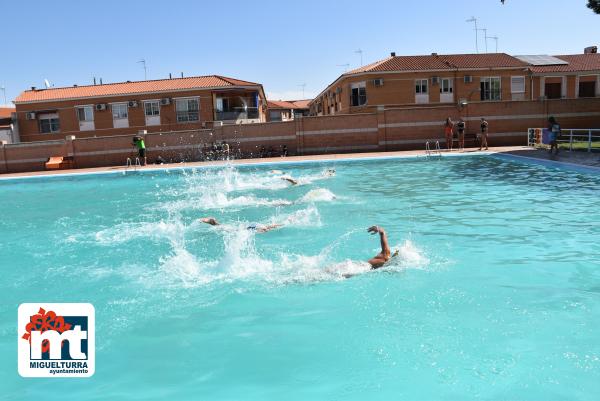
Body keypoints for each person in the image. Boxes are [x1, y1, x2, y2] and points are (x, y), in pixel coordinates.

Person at [200, 217, 283, 233]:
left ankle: (212, 221)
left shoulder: (263, 227)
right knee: (225, 229)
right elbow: (266, 228)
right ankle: (211, 221)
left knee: (224, 227)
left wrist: (279, 225)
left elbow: (270, 226)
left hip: (251, 226)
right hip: (244, 228)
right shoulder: (261, 228)